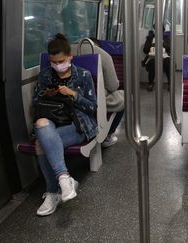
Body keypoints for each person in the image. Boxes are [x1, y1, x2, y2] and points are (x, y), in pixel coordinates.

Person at [33, 33, 97, 216]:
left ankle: (53, 191)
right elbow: (36, 102)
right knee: (41, 123)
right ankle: (64, 179)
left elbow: (93, 106)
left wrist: (73, 94)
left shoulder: (83, 75)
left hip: (79, 125)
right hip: (51, 123)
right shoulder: (46, 76)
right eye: (53, 62)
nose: (57, 66)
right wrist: (47, 94)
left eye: (61, 61)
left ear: (70, 57)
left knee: (41, 143)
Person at [79, 37, 125, 148]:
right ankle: (106, 135)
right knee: (125, 97)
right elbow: (113, 86)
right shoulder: (104, 56)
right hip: (97, 101)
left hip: (75, 99)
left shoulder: (67, 53)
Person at [142, 25, 171, 91]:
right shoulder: (150, 38)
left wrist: (162, 43)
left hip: (164, 57)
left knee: (168, 63)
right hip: (152, 57)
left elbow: (169, 49)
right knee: (152, 63)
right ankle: (150, 84)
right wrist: (151, 44)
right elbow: (145, 50)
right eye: (155, 30)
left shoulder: (166, 38)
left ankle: (170, 83)